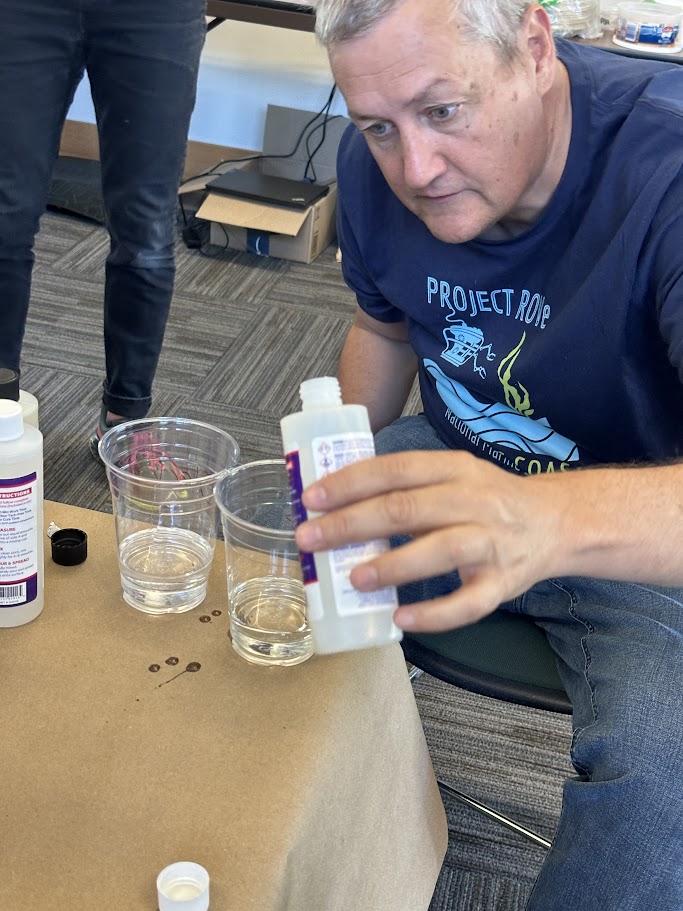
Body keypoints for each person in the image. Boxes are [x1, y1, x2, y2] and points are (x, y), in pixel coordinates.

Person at [298, 0, 683, 908]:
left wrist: (540, 518)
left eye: (444, 111)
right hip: (446, 457)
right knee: (263, 609)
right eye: (380, 128)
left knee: (661, 776)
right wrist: (326, 470)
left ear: (535, 48)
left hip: (633, 526)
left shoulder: (663, 176)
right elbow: (380, 327)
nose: (416, 170)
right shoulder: (374, 160)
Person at [0, 0, 207, 454]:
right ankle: (0, 414)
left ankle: (124, 420)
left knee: (146, 230)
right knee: (5, 218)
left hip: (154, 13)